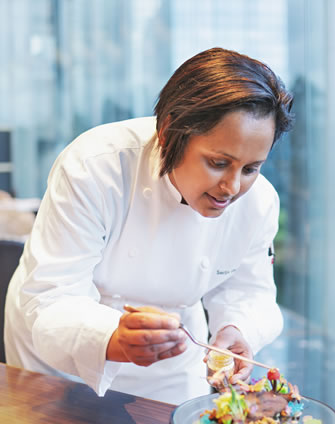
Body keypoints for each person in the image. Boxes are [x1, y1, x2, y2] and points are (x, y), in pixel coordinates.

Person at [4, 47, 294, 404]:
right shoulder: (95, 167)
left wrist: (236, 330)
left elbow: (250, 292)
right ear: (169, 132)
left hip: (173, 358)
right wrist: (111, 338)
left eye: (251, 168)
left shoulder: (259, 201)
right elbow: (51, 297)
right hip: (59, 355)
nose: (232, 188)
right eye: (218, 162)